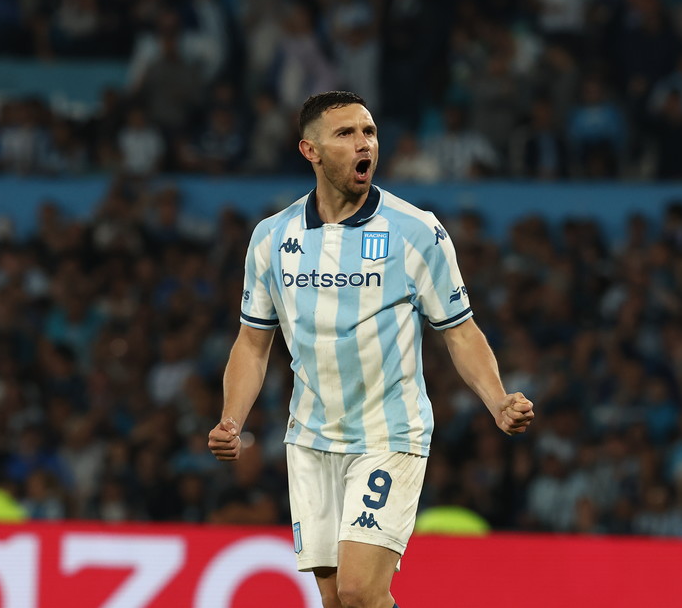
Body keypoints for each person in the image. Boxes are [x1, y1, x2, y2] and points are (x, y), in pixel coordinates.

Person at [208, 91, 535, 608]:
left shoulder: (416, 230)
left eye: (369, 132)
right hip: (310, 438)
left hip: (389, 432)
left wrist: (497, 401)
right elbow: (252, 342)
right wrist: (232, 419)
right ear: (310, 151)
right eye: (346, 134)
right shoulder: (272, 238)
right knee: (337, 601)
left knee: (360, 590)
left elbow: (460, 330)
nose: (365, 143)